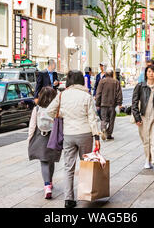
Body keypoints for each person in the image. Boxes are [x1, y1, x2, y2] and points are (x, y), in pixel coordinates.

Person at [46, 70, 101, 208]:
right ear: (82, 80)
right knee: (86, 166)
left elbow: (49, 111)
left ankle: (68, 199)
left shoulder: (62, 95)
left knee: (68, 168)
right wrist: (97, 137)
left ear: (69, 81)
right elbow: (92, 118)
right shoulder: (86, 96)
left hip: (69, 135)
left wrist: (62, 114)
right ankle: (85, 195)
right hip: (85, 134)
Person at [27, 87, 60, 199]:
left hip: (40, 136)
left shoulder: (36, 109)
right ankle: (50, 182)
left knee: (44, 161)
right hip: (53, 137)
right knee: (51, 161)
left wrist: (30, 140)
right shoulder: (56, 110)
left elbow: (32, 126)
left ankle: (47, 186)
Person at [95, 68, 123, 140]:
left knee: (103, 119)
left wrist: (97, 104)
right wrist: (119, 103)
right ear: (112, 74)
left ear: (105, 74)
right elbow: (119, 94)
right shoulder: (116, 82)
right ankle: (109, 134)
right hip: (113, 105)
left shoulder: (102, 81)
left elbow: (98, 93)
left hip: (103, 104)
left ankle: (103, 129)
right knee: (111, 120)